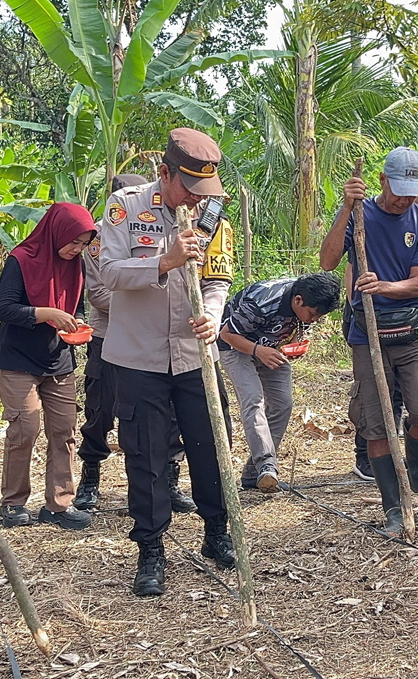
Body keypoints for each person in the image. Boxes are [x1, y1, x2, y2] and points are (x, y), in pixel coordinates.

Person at [97, 128, 237, 597]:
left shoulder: (213, 215)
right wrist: (165, 259)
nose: (196, 200)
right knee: (147, 454)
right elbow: (109, 273)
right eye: (188, 188)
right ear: (164, 173)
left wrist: (213, 317)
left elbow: (218, 280)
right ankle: (151, 550)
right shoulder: (126, 209)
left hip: (195, 354)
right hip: (139, 358)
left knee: (211, 446)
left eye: (205, 191)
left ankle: (216, 533)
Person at [320, 146, 418, 534]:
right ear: (381, 181)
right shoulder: (360, 214)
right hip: (368, 333)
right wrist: (346, 209)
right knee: (376, 424)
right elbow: (327, 262)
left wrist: (384, 287)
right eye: (397, 190)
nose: (403, 199)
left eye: (411, 191)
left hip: (414, 332)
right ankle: (393, 505)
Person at [0, 203, 95, 530]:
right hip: (18, 358)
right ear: (56, 232)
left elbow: (75, 304)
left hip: (58, 357)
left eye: (83, 244)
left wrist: (75, 321)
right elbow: (5, 309)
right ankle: (12, 503)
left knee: (64, 430)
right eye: (73, 242)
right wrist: (48, 313)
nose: (76, 249)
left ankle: (59, 504)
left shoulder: (75, 264)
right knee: (25, 428)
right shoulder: (21, 260)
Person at [220, 273, 342, 492]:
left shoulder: (307, 297)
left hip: (270, 348)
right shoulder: (261, 301)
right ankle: (267, 464)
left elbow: (299, 325)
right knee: (253, 400)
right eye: (312, 314)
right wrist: (258, 351)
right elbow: (227, 334)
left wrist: (296, 342)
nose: (314, 319)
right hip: (235, 346)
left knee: (282, 404)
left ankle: (253, 474)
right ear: (298, 301)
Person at [76, 173, 147, 510]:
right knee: (100, 410)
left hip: (151, 340)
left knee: (155, 414)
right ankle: (90, 476)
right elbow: (100, 292)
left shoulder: (158, 231)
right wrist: (146, 300)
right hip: (108, 336)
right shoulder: (98, 241)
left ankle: (167, 479)